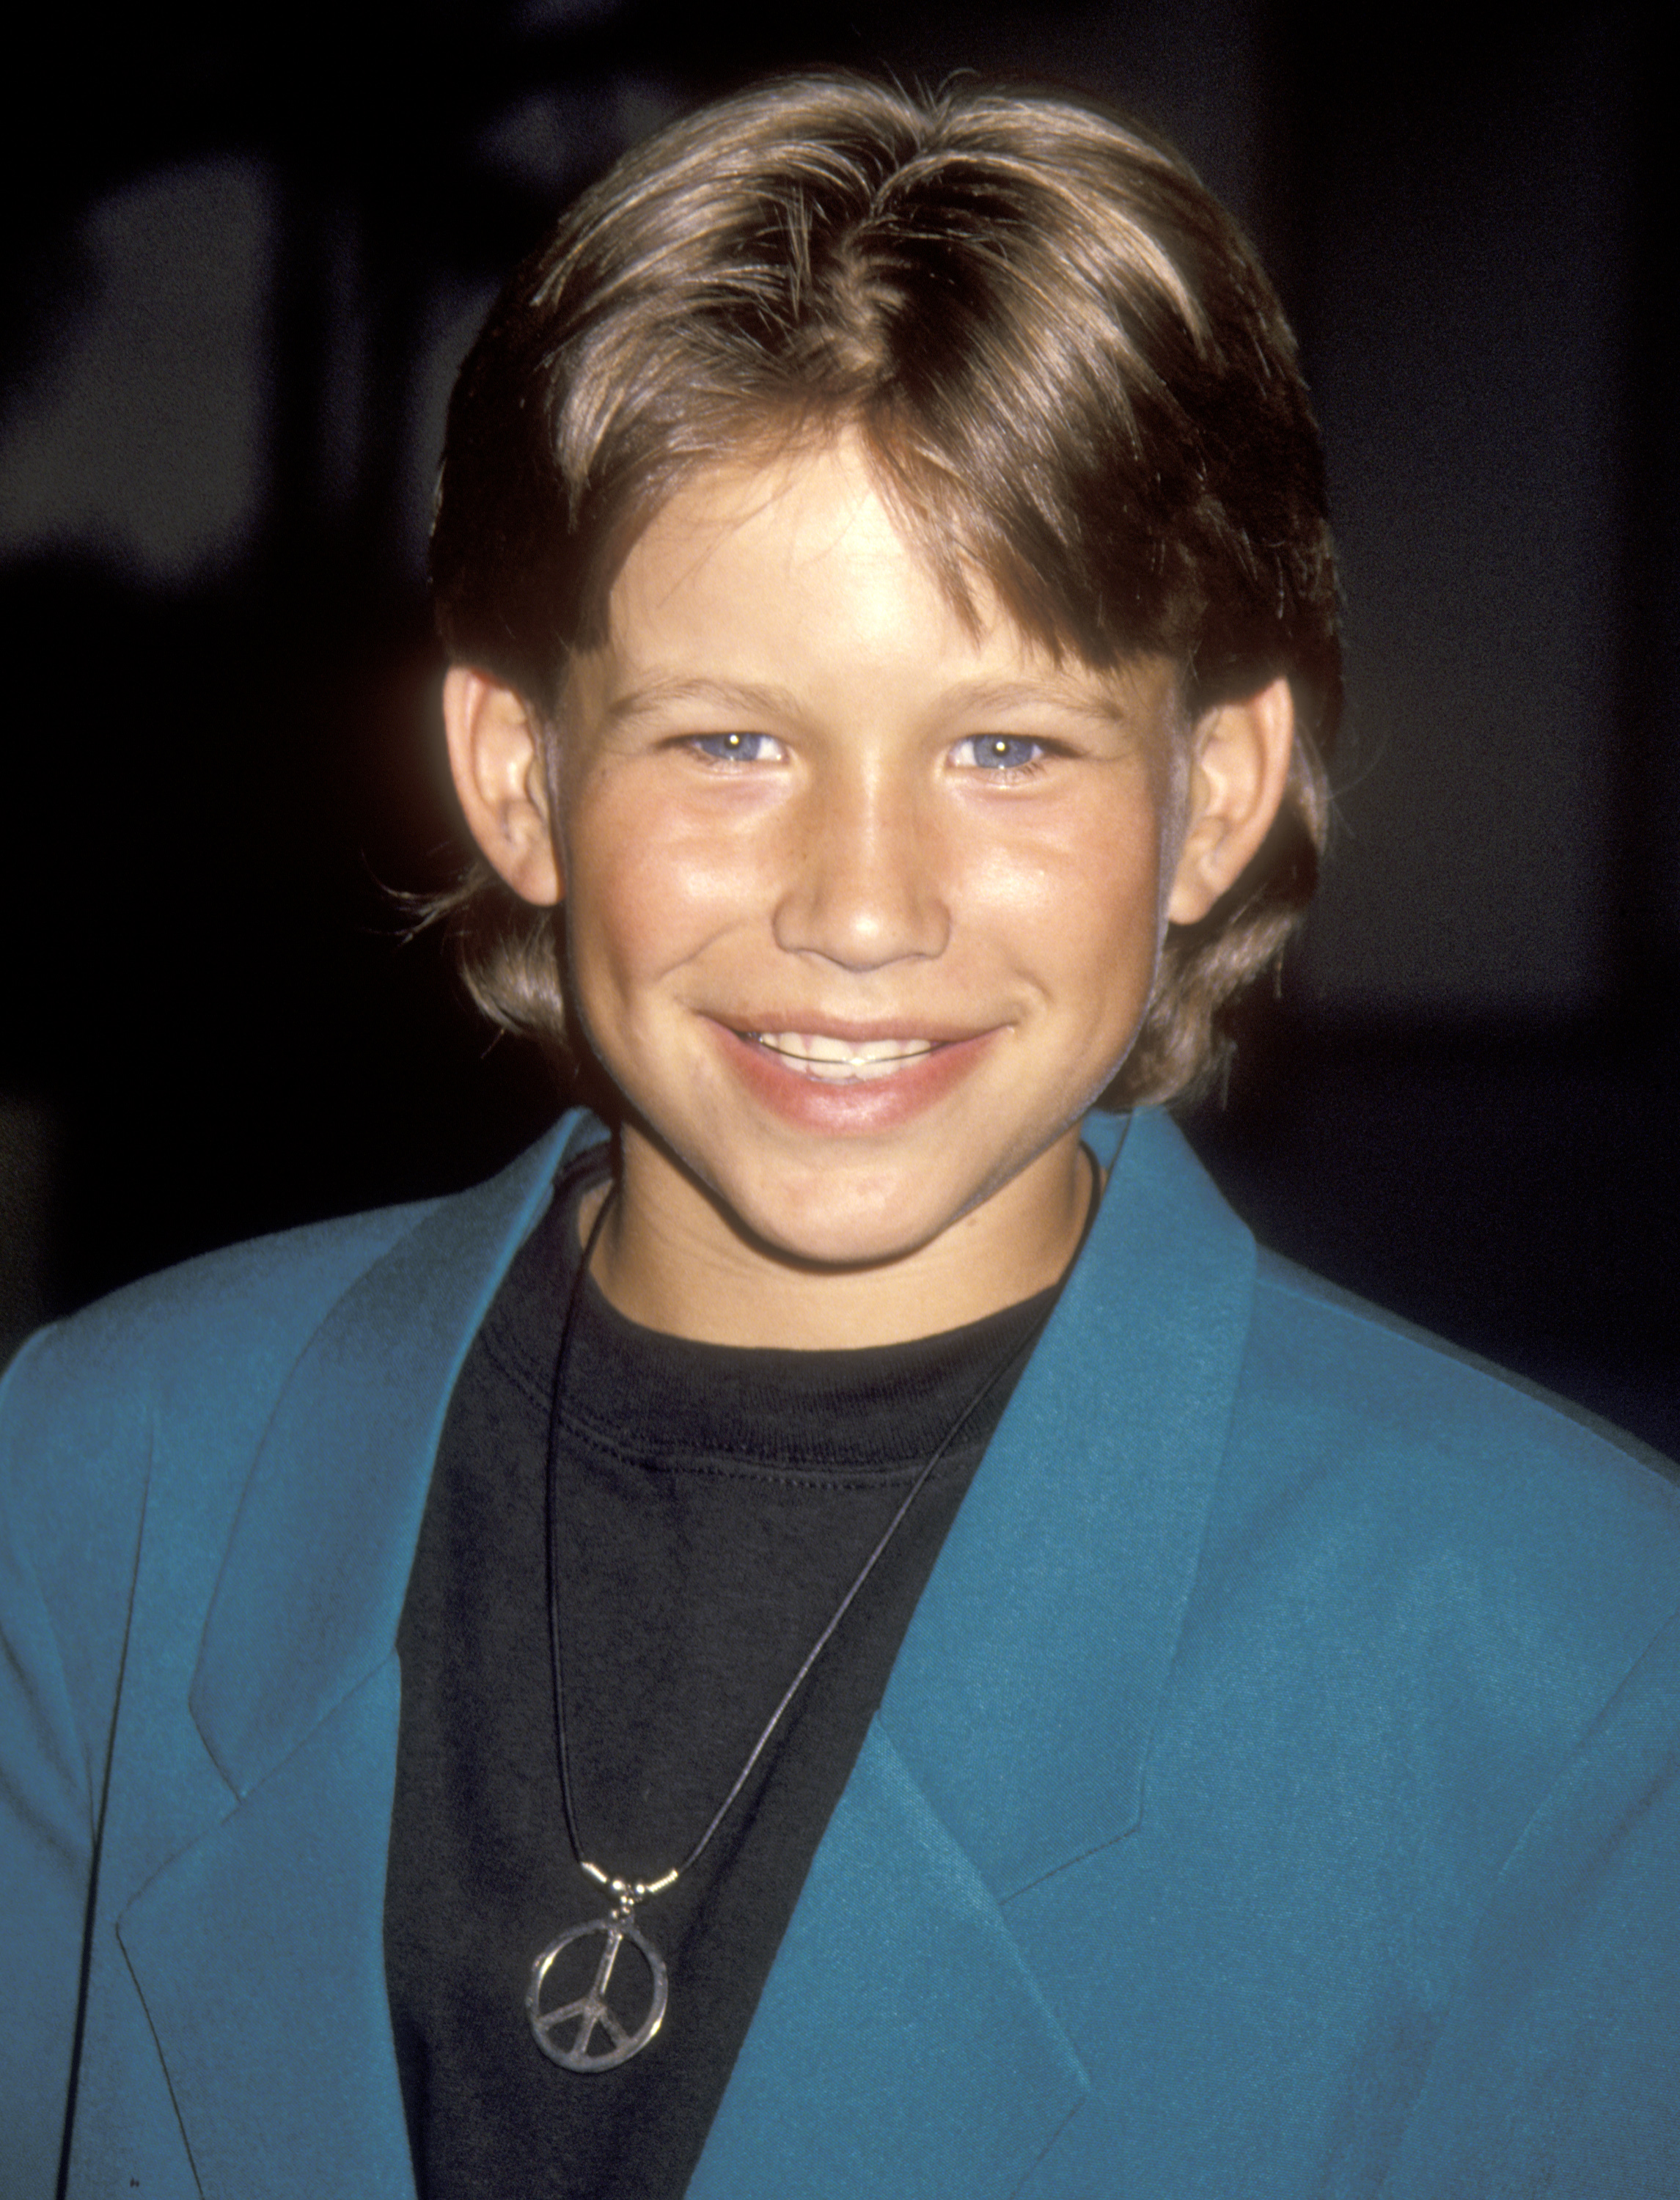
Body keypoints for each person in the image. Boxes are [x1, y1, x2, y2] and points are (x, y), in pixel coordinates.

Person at [4, 70, 1679, 2200]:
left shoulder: (1575, 1661)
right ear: (514, 776)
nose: (860, 906)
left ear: (1219, 793)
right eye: (725, 739)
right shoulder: (97, 1477)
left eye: (1003, 745)